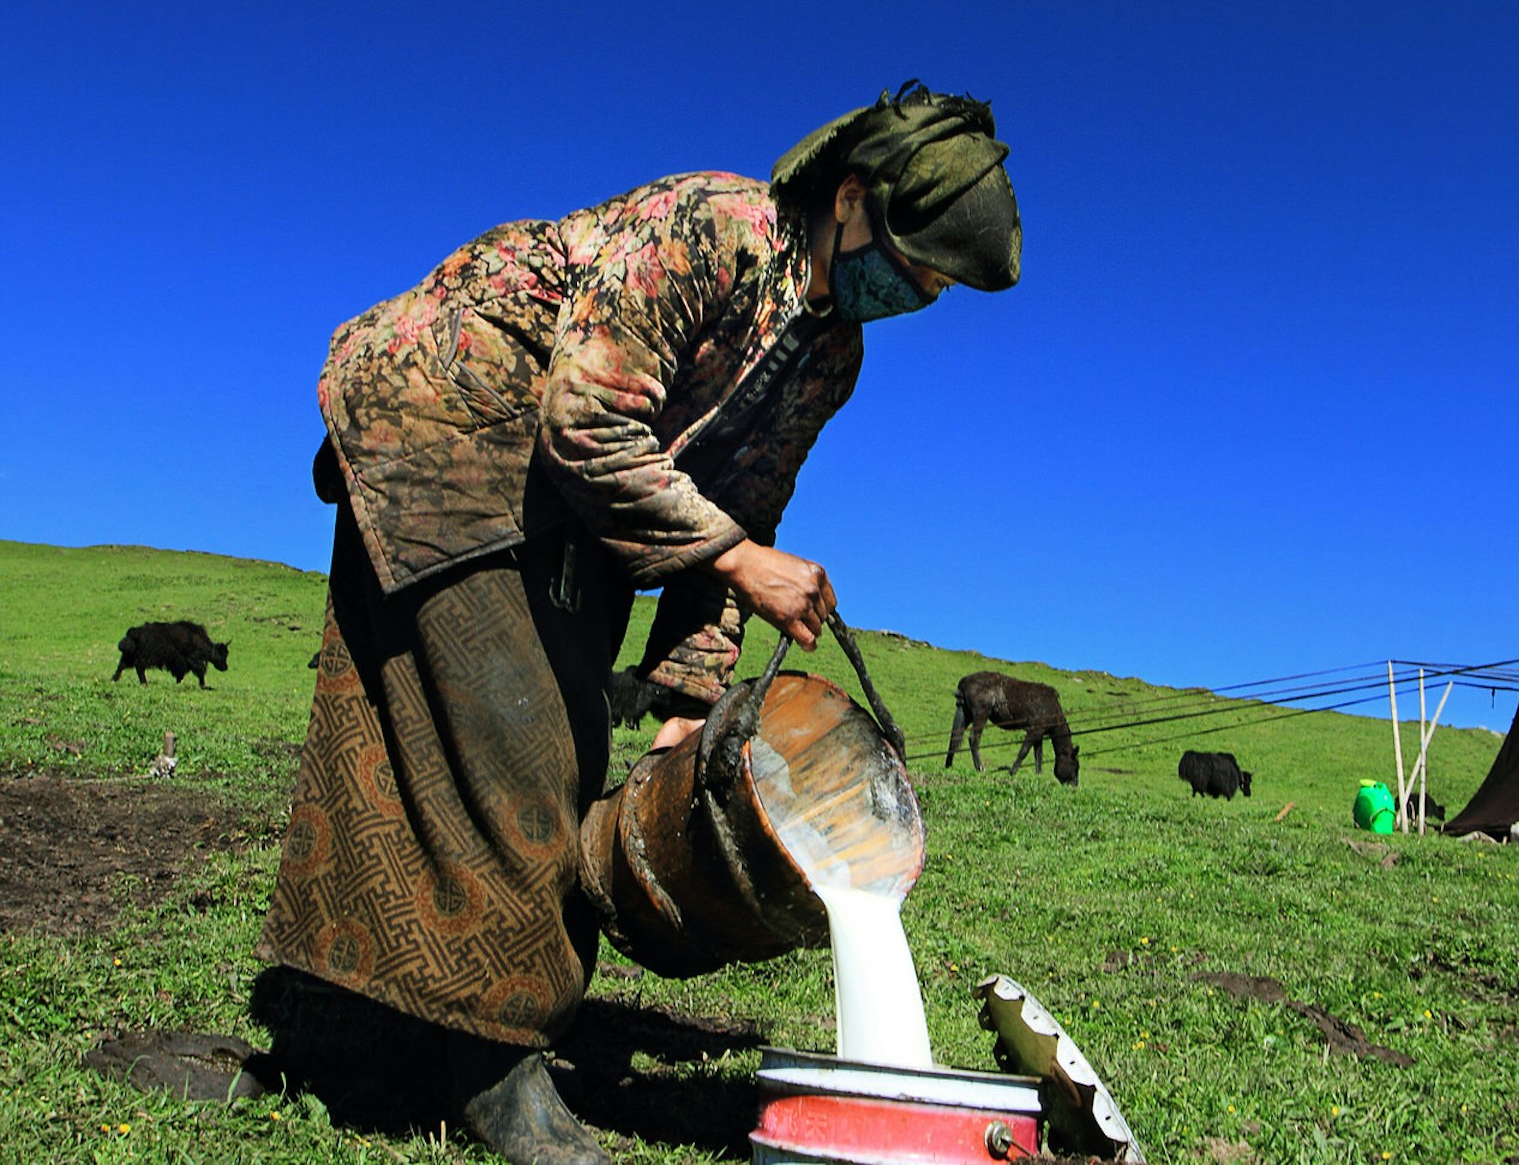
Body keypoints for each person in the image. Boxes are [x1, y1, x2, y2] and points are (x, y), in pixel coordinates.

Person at [257, 82, 1021, 1164]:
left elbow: (743, 504)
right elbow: (585, 419)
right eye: (917, 260)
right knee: (524, 742)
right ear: (851, 199)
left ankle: (397, 1033)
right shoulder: (713, 228)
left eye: (939, 285)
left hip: (572, 504)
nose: (919, 291)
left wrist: (689, 703)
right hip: (456, 420)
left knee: (548, 738)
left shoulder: (831, 355)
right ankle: (498, 1071)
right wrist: (744, 561)